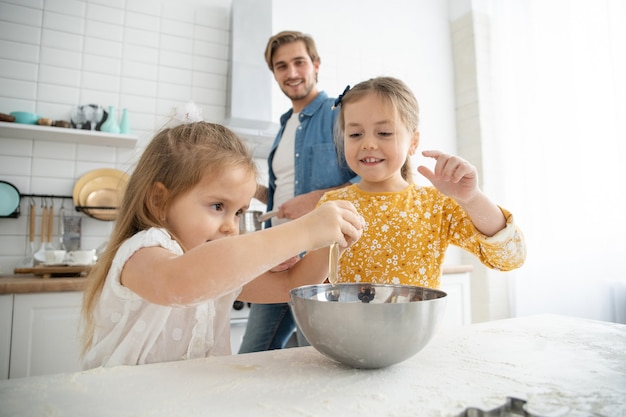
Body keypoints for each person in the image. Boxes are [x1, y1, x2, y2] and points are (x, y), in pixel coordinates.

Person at [79, 121, 363, 369]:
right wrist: (304, 230)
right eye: (217, 206)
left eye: (238, 212)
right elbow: (180, 283)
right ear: (159, 200)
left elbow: (290, 283)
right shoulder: (142, 250)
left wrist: (328, 241)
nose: (230, 226)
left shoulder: (218, 273)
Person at [317, 76, 526, 288]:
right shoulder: (332, 205)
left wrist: (472, 199)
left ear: (413, 142)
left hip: (416, 322)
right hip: (343, 322)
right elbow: (313, 280)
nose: (368, 143)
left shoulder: (435, 205)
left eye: (384, 133)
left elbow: (510, 257)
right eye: (355, 134)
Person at [238, 30, 357, 353]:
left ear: (316, 64)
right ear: (274, 73)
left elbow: (371, 181)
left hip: (319, 263)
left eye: (299, 62)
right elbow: (285, 198)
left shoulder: (340, 114)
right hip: (275, 256)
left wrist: (317, 199)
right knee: (252, 353)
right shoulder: (283, 127)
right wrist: (252, 190)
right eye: (281, 66)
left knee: (317, 356)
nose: (291, 73)